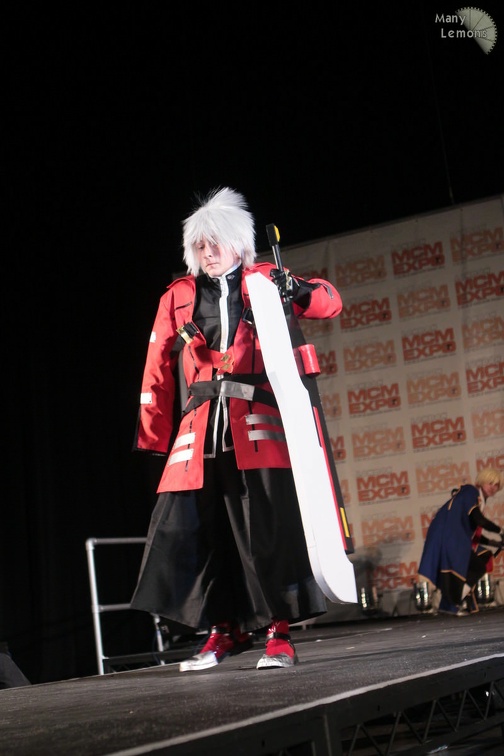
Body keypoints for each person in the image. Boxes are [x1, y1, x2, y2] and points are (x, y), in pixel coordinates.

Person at [130, 186, 343, 670]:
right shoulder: (178, 296)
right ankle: (222, 631)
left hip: (257, 427)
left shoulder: (264, 280)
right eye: (199, 245)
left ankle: (278, 632)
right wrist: (153, 430)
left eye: (216, 243)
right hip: (199, 431)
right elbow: (156, 366)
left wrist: (299, 291)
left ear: (238, 244)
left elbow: (329, 302)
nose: (208, 252)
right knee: (200, 533)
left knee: (266, 531)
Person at [418, 468, 503, 616]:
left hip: (455, 537)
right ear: (482, 481)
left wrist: (495, 543)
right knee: (462, 569)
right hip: (450, 536)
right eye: (490, 483)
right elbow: (479, 520)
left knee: (478, 564)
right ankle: (452, 604)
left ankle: (451, 603)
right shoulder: (471, 491)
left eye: (496, 485)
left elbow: (472, 531)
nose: (493, 488)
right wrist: (500, 531)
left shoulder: (477, 499)